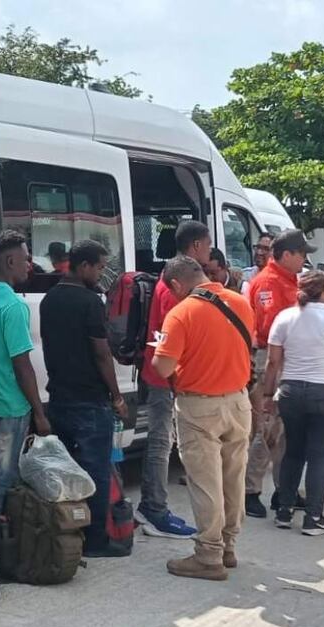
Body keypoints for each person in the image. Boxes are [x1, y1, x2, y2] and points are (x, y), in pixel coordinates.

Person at [151, 256, 254, 581]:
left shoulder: (180, 314)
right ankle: (228, 547)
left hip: (200, 407)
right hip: (239, 402)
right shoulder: (240, 302)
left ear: (177, 284)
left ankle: (208, 555)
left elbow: (163, 367)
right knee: (233, 476)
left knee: (205, 481)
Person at [40, 240, 131, 557]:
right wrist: (117, 397)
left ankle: (67, 532)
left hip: (59, 396)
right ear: (84, 267)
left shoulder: (49, 299)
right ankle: (96, 541)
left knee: (65, 471)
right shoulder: (90, 302)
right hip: (89, 400)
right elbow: (102, 354)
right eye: (101, 267)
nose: (103, 274)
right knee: (95, 471)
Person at [262, 271, 324, 536]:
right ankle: (314, 518)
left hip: (291, 391)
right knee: (319, 456)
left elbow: (273, 362)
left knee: (293, 451)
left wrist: (266, 396)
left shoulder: (284, 317)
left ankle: (284, 511)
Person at [135, 221, 210, 539]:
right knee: (160, 444)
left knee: (162, 442)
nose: (209, 251)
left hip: (161, 375)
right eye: (206, 245)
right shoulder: (176, 287)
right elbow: (174, 338)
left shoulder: (170, 278)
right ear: (195, 246)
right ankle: (154, 509)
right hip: (165, 378)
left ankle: (153, 506)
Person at [0, 230, 51, 511]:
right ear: (9, 261)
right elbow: (22, 365)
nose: (30, 264)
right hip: (10, 406)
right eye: (25, 258)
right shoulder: (13, 305)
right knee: (4, 476)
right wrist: (39, 413)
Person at [244, 229, 314, 518]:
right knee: (266, 428)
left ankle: (283, 490)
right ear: (287, 255)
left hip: (287, 362)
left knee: (285, 432)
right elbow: (274, 331)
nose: (305, 260)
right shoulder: (270, 283)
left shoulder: (286, 281)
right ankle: (250, 491)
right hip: (271, 361)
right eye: (302, 254)